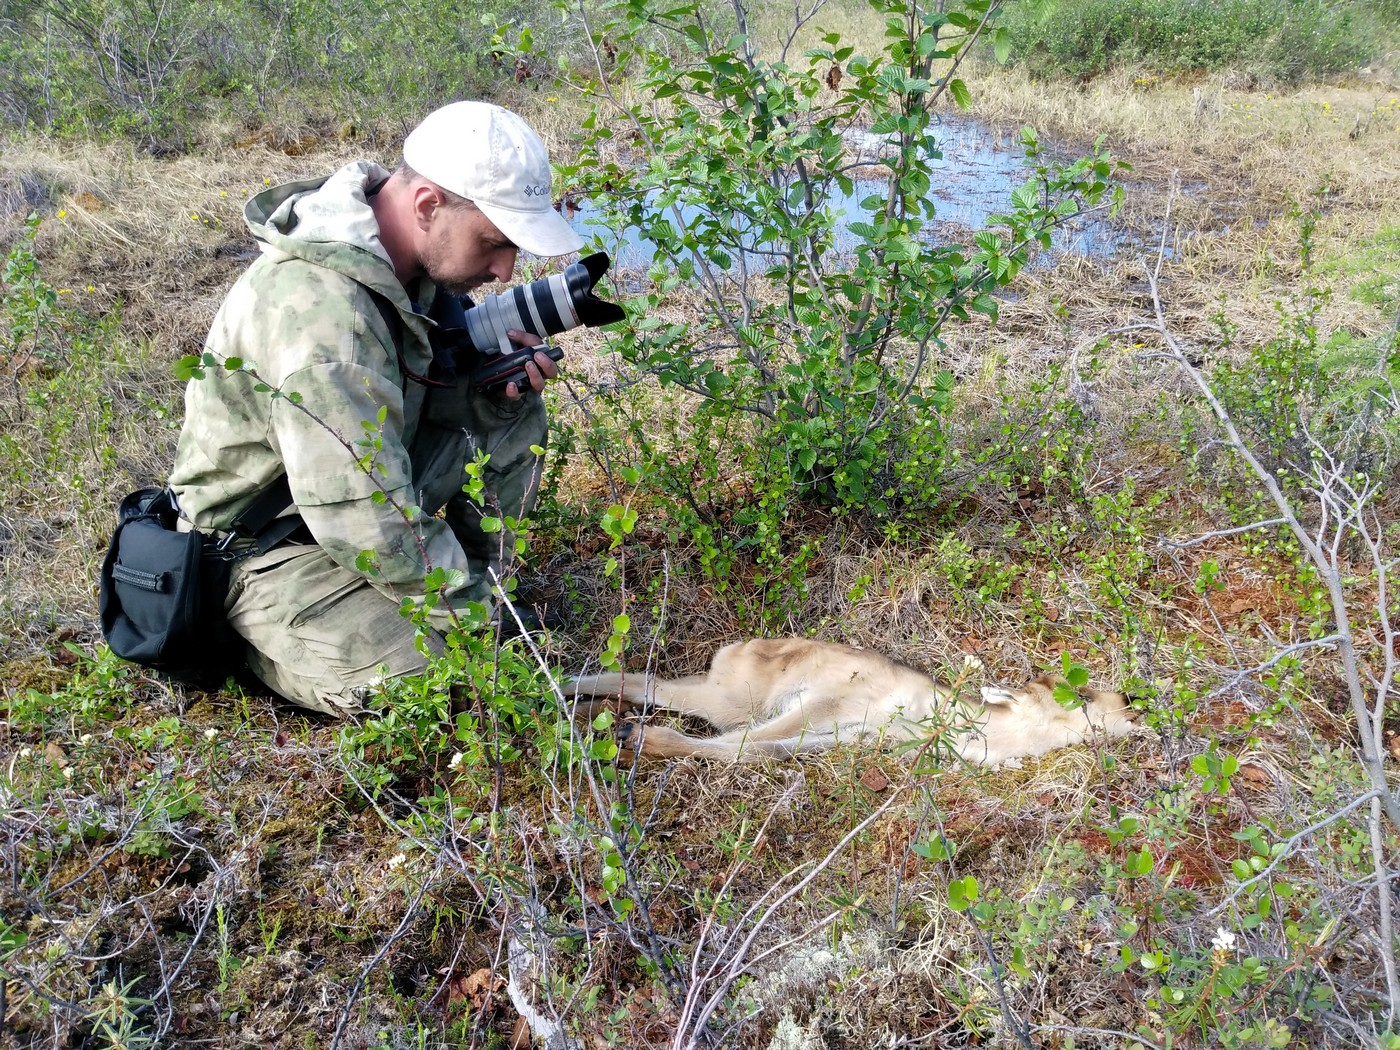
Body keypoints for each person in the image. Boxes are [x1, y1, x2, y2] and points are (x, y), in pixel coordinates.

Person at [168, 101, 584, 715]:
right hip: (258, 552)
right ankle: (261, 643)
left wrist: (488, 401)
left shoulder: (401, 266)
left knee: (511, 405)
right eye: (494, 243)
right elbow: (360, 513)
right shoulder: (326, 318)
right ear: (427, 206)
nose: (504, 269)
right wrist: (475, 626)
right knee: (444, 688)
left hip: (337, 506)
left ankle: (475, 596)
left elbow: (389, 436)